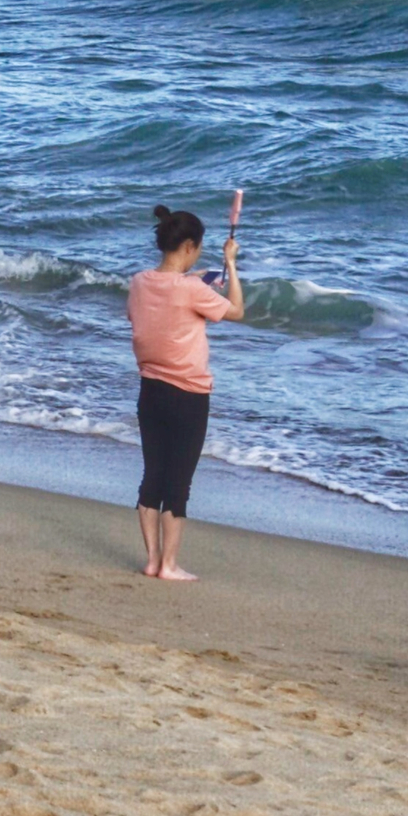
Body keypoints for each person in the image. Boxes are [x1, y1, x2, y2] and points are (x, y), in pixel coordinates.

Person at [131, 204, 243, 581]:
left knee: (152, 476)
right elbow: (237, 310)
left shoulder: (139, 281)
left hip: (150, 391)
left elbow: (147, 313)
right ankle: (170, 565)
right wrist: (230, 263)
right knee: (178, 482)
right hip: (189, 394)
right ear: (190, 247)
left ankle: (151, 560)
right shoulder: (193, 288)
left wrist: (191, 283)